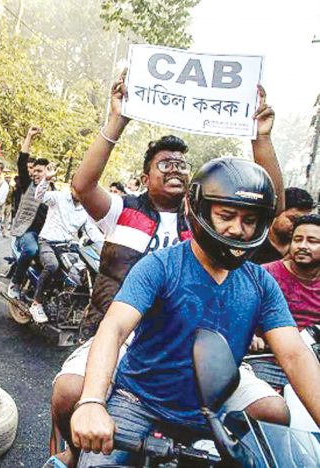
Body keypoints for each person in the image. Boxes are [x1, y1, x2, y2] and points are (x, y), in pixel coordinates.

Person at [51, 71, 285, 467]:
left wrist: (260, 138)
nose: (176, 168)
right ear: (145, 176)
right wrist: (117, 120)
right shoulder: (121, 211)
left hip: (197, 343)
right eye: (165, 164)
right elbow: (83, 184)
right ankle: (70, 451)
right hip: (124, 333)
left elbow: (270, 210)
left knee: (275, 414)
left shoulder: (208, 224)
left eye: (182, 164)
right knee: (70, 391)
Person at [70, 158, 320, 468]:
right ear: (199, 210)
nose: (237, 229)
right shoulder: (160, 266)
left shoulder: (261, 284)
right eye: (226, 216)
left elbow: (295, 355)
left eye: (249, 220)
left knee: (275, 414)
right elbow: (114, 328)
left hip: (210, 408)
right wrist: (92, 402)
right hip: (138, 402)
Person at [248, 214, 320, 390]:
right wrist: (251, 336)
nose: (302, 246)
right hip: (266, 362)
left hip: (313, 366)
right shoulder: (264, 275)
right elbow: (236, 314)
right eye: (297, 239)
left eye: (312, 241)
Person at [28, 165, 90, 324]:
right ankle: (37, 303)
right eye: (78, 187)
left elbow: (92, 231)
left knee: (83, 274)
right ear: (72, 186)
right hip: (48, 242)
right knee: (52, 266)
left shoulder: (87, 209)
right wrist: (46, 179)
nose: (80, 192)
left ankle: (70, 307)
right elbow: (39, 196)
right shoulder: (58, 197)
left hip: (67, 247)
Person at [7, 127, 51, 300]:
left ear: (49, 172)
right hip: (27, 231)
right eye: (35, 171)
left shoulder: (53, 192)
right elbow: (22, 160)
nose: (35, 174)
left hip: (46, 235)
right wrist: (29, 137)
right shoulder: (28, 185)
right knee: (31, 250)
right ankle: (15, 282)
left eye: (40, 171)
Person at [251, 187, 315, 264]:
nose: (296, 225)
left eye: (302, 222)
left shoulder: (308, 248)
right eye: (292, 219)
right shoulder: (254, 242)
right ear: (276, 213)